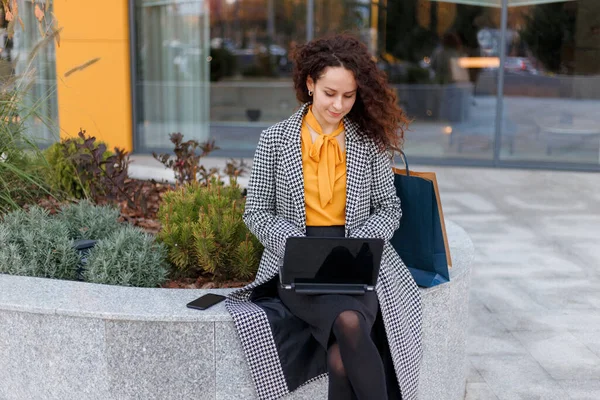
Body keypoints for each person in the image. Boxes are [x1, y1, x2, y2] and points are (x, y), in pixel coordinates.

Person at [226, 34, 422, 400]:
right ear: (310, 84)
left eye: (348, 96)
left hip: (356, 260)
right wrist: (294, 245)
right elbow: (256, 212)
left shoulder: (370, 141)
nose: (339, 104)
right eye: (330, 93)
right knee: (347, 330)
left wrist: (359, 242)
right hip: (297, 262)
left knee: (344, 344)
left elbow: (389, 207)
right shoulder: (274, 140)